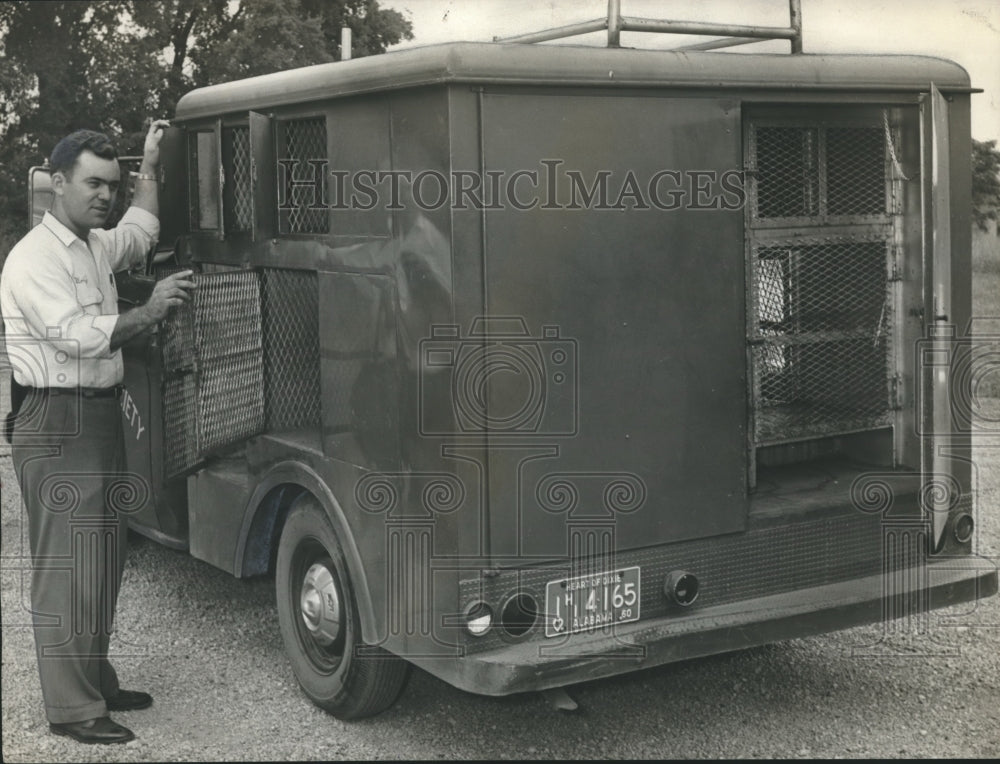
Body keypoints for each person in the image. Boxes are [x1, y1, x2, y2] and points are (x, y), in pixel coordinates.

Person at [0, 122, 195, 744]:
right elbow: (73, 334)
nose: (106, 195)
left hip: (99, 414)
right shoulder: (34, 257)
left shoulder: (92, 244)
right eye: (93, 183)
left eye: (113, 185)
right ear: (58, 183)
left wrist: (153, 167)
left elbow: (141, 230)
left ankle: (94, 679)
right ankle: (72, 709)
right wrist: (151, 309)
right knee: (68, 565)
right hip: (56, 419)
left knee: (104, 557)